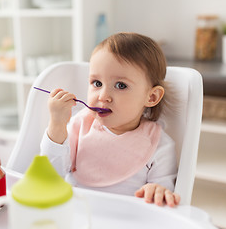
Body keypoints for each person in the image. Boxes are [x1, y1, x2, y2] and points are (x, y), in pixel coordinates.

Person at [40, 32, 180, 207]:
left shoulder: (159, 145)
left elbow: (163, 193)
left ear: (151, 97)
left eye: (121, 85)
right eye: (97, 83)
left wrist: (158, 190)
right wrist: (57, 124)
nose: (103, 96)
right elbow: (50, 175)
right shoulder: (79, 125)